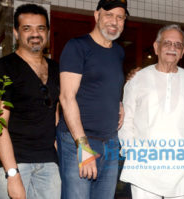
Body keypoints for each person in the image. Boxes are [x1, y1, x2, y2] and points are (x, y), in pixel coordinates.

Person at [119, 24, 184, 199]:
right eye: (167, 43)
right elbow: (126, 120)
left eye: (178, 45)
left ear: (183, 51)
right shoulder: (137, 79)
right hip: (145, 170)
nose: (173, 48)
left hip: (183, 169)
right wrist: (132, 152)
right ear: (156, 47)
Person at [56, 0, 128, 198]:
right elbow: (66, 97)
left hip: (111, 141)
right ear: (97, 16)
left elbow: (104, 84)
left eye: (120, 17)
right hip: (79, 140)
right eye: (109, 15)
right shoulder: (77, 46)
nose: (115, 21)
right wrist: (83, 146)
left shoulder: (118, 52)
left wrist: (119, 103)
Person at [0, 4, 60, 199]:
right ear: (16, 32)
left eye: (40, 28)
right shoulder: (4, 67)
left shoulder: (55, 68)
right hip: (16, 163)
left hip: (49, 165)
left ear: (47, 32)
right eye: (27, 28)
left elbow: (54, 115)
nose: (35, 34)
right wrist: (12, 174)